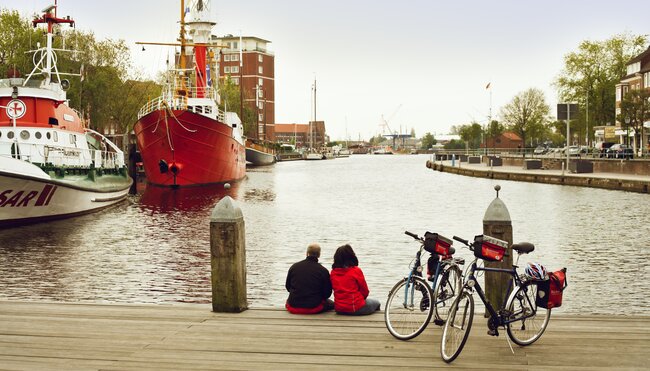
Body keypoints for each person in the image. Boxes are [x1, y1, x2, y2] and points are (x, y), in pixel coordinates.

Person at [330, 244, 380, 315]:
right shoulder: (356, 271)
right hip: (356, 308)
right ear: (351, 256)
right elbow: (365, 291)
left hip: (339, 309)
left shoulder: (333, 272)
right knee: (377, 303)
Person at [285, 243, 334, 314]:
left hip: (294, 305)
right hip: (314, 307)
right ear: (319, 255)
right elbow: (327, 294)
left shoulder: (294, 267)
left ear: (307, 253)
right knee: (331, 304)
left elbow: (288, 287)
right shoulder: (323, 271)